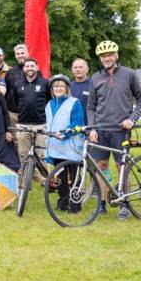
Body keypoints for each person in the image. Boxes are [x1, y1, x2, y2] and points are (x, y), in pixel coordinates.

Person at [87, 40, 141, 221]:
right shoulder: (95, 78)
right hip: (100, 131)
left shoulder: (129, 74)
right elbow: (90, 107)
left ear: (116, 55)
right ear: (100, 59)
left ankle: (125, 204)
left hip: (121, 130)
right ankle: (102, 204)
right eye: (103, 56)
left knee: (122, 167)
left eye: (110, 54)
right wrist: (91, 128)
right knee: (101, 167)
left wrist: (131, 119)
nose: (107, 58)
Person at [44, 74, 86, 213]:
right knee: (60, 176)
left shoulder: (75, 102)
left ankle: (75, 205)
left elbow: (78, 122)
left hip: (71, 145)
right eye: (56, 86)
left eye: (61, 85)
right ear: (52, 88)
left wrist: (66, 133)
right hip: (56, 147)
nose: (58, 88)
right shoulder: (49, 104)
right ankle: (62, 202)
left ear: (66, 88)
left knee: (74, 176)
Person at [12, 57, 51, 165]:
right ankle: (24, 180)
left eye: (32, 66)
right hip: (23, 125)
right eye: (27, 66)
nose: (30, 68)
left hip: (41, 124)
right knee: (23, 155)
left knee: (41, 155)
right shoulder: (17, 84)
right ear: (24, 69)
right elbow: (16, 102)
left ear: (37, 67)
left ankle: (44, 180)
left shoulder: (45, 83)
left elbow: (49, 100)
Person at [4, 43, 29, 126]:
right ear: (15, 56)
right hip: (13, 113)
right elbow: (6, 92)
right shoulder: (10, 72)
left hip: (29, 113)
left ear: (27, 53)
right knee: (14, 138)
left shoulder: (35, 72)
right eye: (18, 54)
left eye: (22, 53)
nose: (20, 55)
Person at [70, 57, 92, 122]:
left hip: (89, 126)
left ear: (87, 69)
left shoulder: (93, 85)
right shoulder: (68, 86)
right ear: (72, 70)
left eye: (80, 67)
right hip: (72, 125)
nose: (78, 69)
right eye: (75, 67)